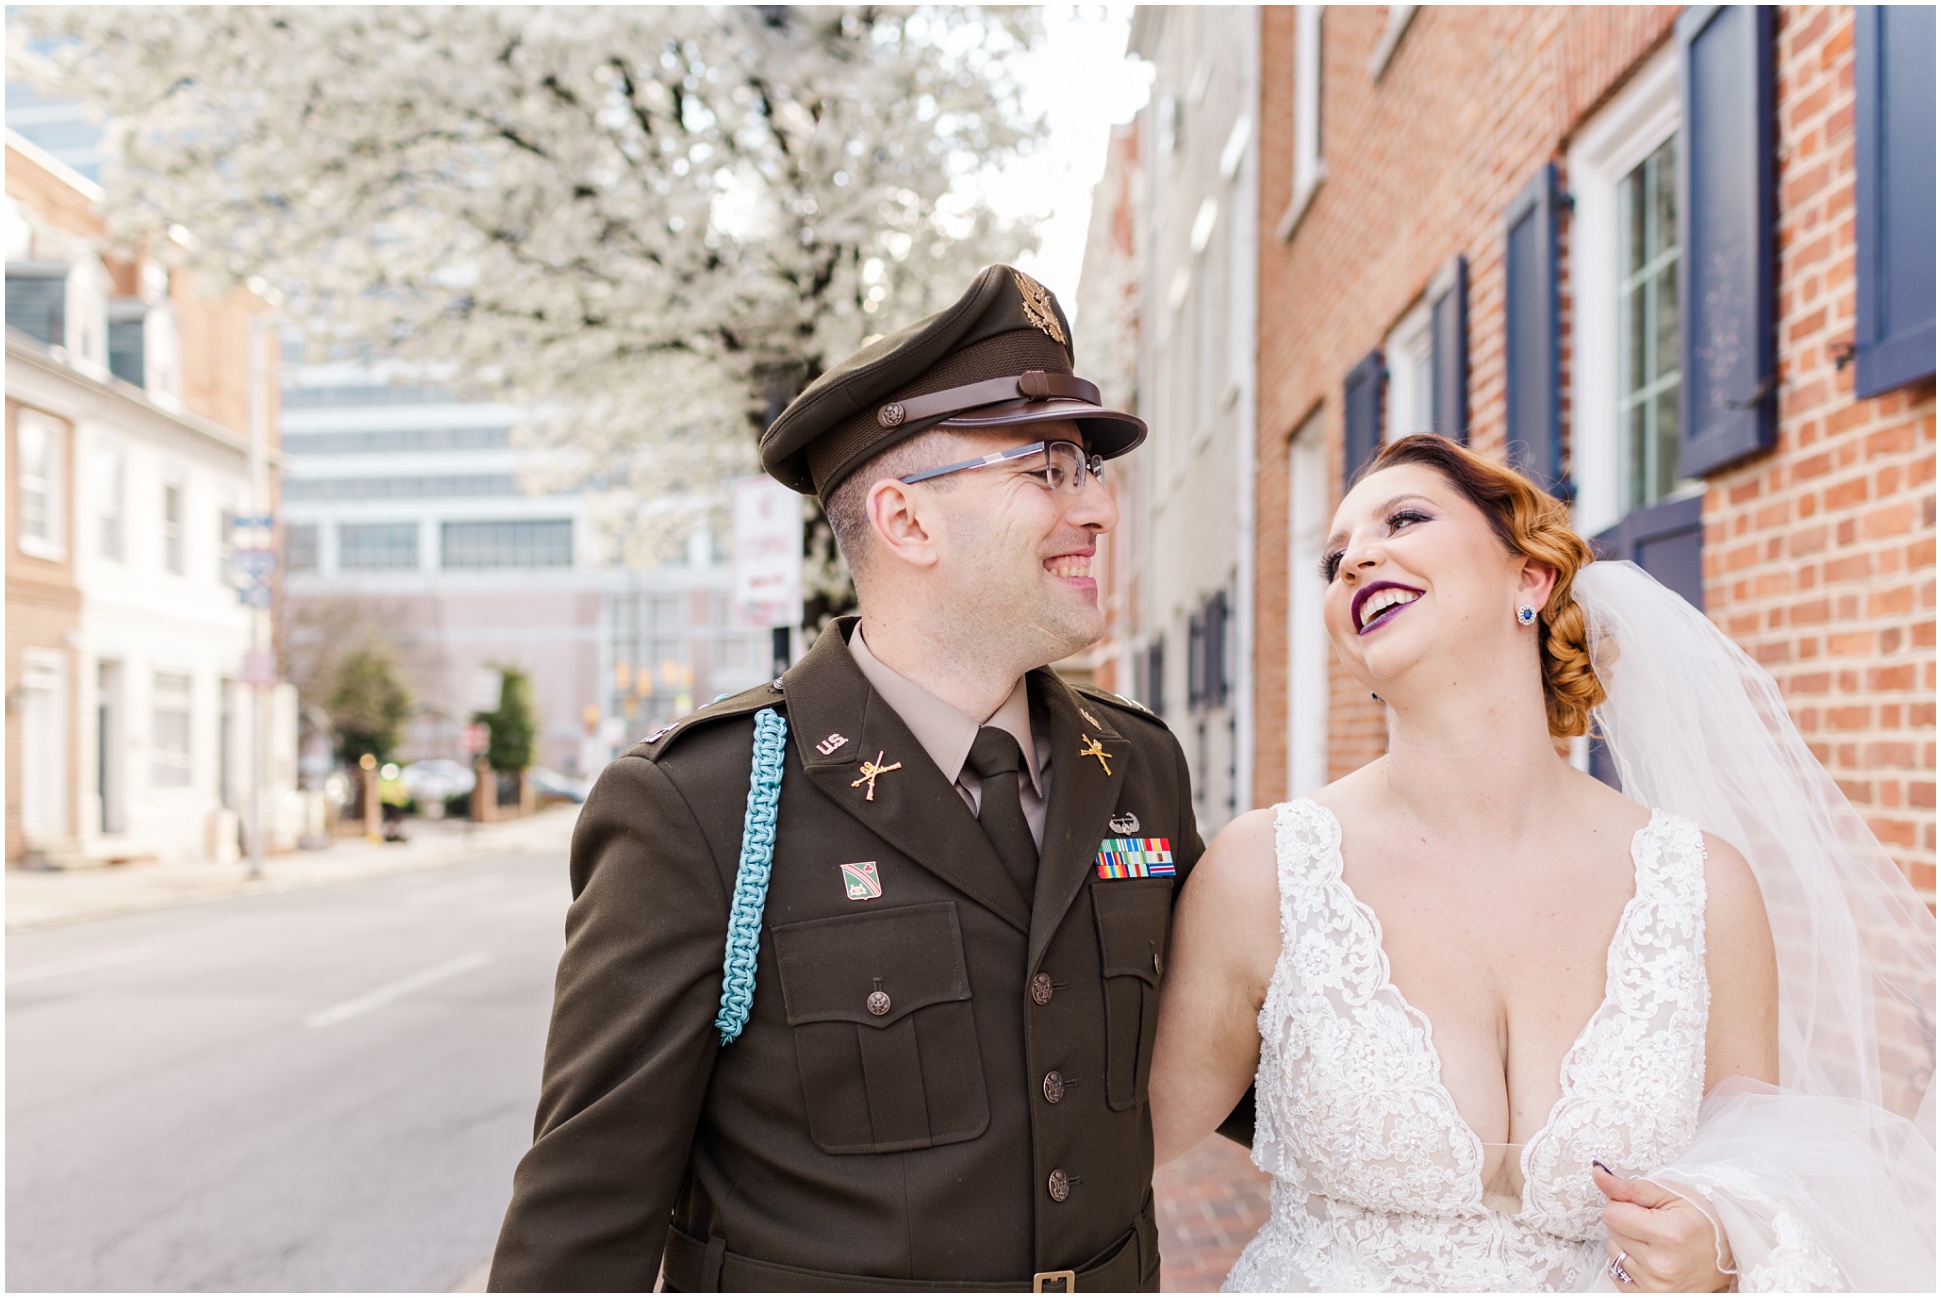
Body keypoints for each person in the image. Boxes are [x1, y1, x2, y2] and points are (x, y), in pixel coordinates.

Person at [489, 265, 1206, 1291]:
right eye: (1047, 467)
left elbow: (1247, 1051)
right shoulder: (705, 803)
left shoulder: (1138, 765)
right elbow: (582, 1220)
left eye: (1091, 466)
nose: (1094, 505)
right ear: (907, 521)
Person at [1152, 434, 1935, 1292]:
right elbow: (1110, 1145)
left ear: (1530, 579)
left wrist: (1713, 1240)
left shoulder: (1701, 885)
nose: (1352, 561)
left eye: (1403, 519)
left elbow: (1752, 1164)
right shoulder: (1262, 872)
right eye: (1334, 558)